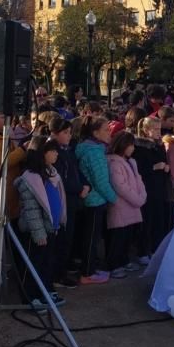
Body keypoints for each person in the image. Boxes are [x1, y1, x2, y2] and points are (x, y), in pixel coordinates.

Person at [14, 138, 67, 309]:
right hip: (36, 232)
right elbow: (31, 210)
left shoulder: (51, 173)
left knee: (47, 263)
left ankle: (44, 291)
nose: (56, 154)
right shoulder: (30, 178)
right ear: (41, 153)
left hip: (51, 228)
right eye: (52, 151)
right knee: (32, 264)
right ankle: (30, 296)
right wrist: (38, 233)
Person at [75, 117, 116, 284]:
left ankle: (89, 268)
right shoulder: (94, 152)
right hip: (94, 200)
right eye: (106, 129)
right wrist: (114, 198)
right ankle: (87, 272)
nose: (110, 132)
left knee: (89, 237)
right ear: (95, 132)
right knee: (91, 238)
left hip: (92, 199)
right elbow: (100, 181)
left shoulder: (91, 148)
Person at [49, 116, 89, 289]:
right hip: (63, 200)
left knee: (69, 238)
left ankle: (62, 270)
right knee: (62, 239)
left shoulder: (68, 150)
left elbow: (76, 171)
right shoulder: (54, 152)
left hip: (73, 199)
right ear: (54, 133)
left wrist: (86, 185)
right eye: (65, 133)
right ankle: (57, 274)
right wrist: (79, 188)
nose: (69, 136)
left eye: (70, 132)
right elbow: (59, 179)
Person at [105, 131, 147, 279]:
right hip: (121, 205)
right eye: (131, 145)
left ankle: (124, 261)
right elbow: (120, 186)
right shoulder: (114, 163)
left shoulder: (131, 162)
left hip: (133, 204)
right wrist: (137, 199)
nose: (133, 148)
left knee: (128, 235)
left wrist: (142, 196)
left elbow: (138, 179)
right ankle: (114, 265)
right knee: (118, 237)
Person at [134, 117, 170, 260]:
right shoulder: (140, 147)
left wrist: (166, 166)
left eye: (159, 129)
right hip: (147, 187)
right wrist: (154, 167)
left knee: (158, 219)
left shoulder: (159, 145)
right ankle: (142, 251)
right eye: (155, 129)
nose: (158, 132)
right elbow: (138, 168)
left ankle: (157, 249)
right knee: (146, 220)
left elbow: (164, 161)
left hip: (159, 187)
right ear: (145, 130)